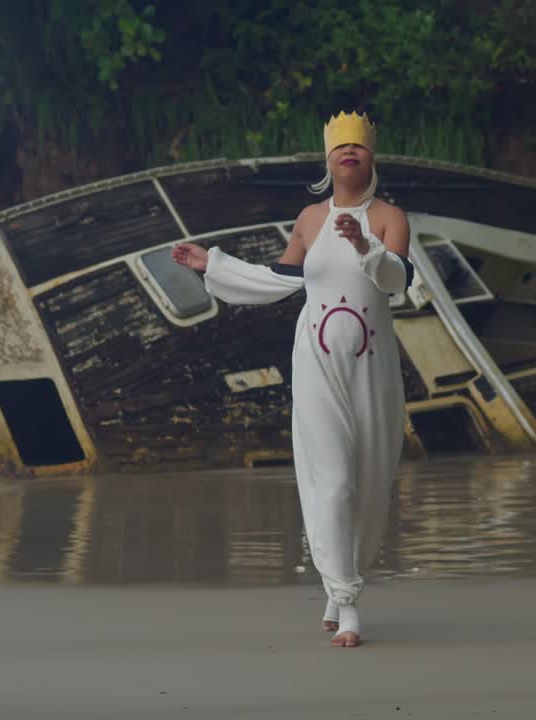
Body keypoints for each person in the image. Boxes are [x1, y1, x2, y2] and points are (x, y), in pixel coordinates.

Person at [172, 111, 413, 648]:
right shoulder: (308, 218)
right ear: (327, 161)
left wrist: (365, 246)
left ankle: (338, 582)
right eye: (339, 148)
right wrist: (211, 264)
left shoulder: (391, 217)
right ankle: (346, 602)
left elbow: (397, 280)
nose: (349, 153)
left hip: (372, 367)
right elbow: (279, 280)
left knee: (369, 482)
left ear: (372, 158)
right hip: (316, 363)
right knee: (333, 479)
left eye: (359, 147)